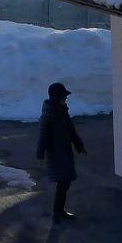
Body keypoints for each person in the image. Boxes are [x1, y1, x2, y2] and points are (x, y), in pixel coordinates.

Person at [36, 81, 87, 220]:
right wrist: (40, 156)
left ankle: (59, 211)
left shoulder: (62, 112)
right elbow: (43, 137)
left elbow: (71, 131)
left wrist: (79, 146)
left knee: (65, 182)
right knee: (63, 182)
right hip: (56, 155)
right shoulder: (48, 116)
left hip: (65, 153)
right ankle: (58, 212)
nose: (65, 99)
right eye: (63, 97)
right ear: (56, 98)